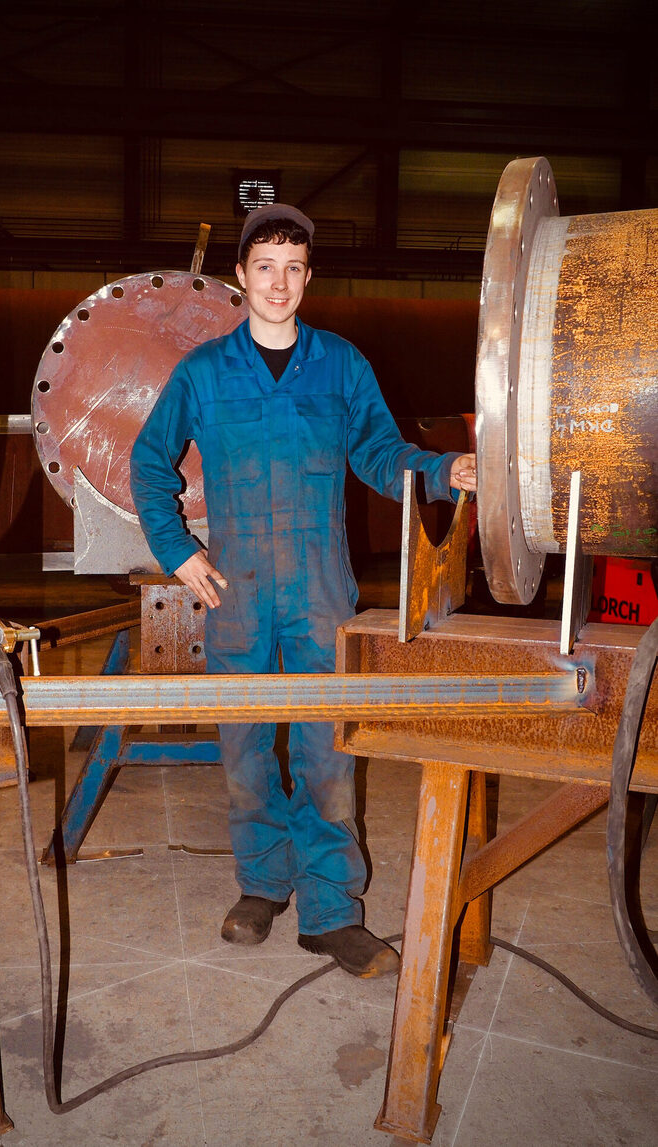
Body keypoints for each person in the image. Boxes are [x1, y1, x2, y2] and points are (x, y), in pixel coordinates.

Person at [130, 204, 477, 977]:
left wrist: (440, 470)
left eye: (293, 267)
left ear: (308, 277)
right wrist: (178, 552)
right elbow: (150, 462)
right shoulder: (205, 372)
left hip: (322, 593)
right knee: (245, 750)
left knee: (326, 753)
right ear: (242, 277)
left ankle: (329, 908)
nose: (279, 282)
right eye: (264, 267)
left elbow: (380, 453)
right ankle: (262, 884)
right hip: (237, 594)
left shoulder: (343, 366)